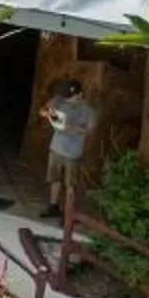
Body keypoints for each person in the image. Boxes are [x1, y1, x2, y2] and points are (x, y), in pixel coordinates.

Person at [45, 79, 97, 212]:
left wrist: (74, 128)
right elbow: (46, 110)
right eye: (67, 97)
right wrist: (50, 115)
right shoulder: (60, 100)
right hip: (56, 148)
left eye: (71, 97)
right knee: (54, 178)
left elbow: (90, 129)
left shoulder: (88, 110)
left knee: (71, 184)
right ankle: (53, 206)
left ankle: (68, 212)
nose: (68, 100)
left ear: (80, 95)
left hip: (73, 153)